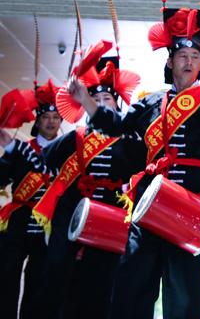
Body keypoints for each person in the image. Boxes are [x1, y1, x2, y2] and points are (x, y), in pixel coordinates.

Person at [68, 4, 200, 319]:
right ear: (170, 61)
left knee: (185, 292)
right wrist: (84, 99)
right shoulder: (150, 102)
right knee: (132, 284)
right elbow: (118, 125)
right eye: (182, 56)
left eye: (195, 57)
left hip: (190, 203)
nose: (189, 61)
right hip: (149, 200)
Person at [36, 50, 144, 318]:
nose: (100, 104)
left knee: (104, 281)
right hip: (74, 213)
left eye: (106, 99)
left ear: (117, 106)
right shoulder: (76, 137)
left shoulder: (128, 141)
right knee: (60, 275)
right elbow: (45, 161)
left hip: (112, 218)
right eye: (94, 100)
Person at [0, 81, 61, 319]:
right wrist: (7, 155)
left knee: (38, 282)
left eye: (56, 117)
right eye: (46, 116)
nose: (51, 121)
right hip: (19, 219)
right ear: (37, 120)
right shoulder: (22, 148)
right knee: (6, 277)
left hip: (48, 223)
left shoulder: (66, 151)